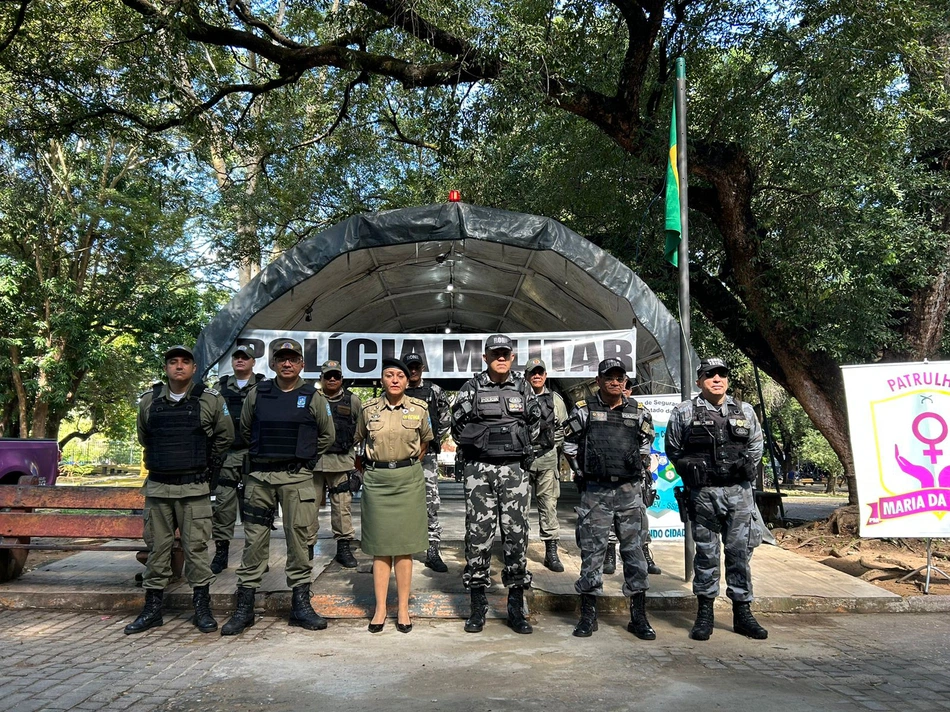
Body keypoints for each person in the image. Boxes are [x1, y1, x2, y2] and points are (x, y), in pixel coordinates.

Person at [221, 339, 336, 636]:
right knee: (254, 541)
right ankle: (244, 606)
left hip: (296, 478)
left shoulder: (313, 397)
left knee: (299, 540)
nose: (287, 363)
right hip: (259, 478)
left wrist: (303, 457)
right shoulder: (257, 394)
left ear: (301, 365)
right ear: (273, 364)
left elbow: (327, 435)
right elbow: (245, 430)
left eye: (292, 359)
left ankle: (300, 604)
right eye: (281, 358)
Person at [125, 345, 233, 635]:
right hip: (159, 488)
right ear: (166, 368)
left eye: (185, 362)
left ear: (194, 368)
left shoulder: (210, 400)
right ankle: (152, 610)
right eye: (173, 361)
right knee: (157, 550)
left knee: (196, 550)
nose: (179, 366)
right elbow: (145, 436)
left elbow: (226, 436)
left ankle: (202, 607)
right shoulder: (149, 400)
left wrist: (205, 461)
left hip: (193, 488)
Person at [664, 357, 768, 641]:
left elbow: (756, 444)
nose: (717, 379)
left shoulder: (744, 410)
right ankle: (705, 613)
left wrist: (746, 465)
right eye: (710, 375)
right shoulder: (684, 412)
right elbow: (673, 448)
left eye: (721, 374)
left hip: (739, 493)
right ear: (700, 381)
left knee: (739, 554)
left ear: (727, 379)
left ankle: (742, 613)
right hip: (704, 494)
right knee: (707, 554)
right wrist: (689, 469)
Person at [451, 334, 541, 635]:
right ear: (485, 356)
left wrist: (514, 444)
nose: (501, 358)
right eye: (495, 353)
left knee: (517, 537)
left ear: (512, 357)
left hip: (514, 471)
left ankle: (516, 608)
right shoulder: (471, 388)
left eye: (506, 353)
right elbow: (456, 427)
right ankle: (478, 608)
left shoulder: (523, 387)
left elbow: (536, 424)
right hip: (480, 471)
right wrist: (483, 444)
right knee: (478, 538)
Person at [564, 358, 656, 640]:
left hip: (629, 491)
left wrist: (638, 466)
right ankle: (588, 614)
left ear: (625, 381)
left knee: (635, 551)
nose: (615, 382)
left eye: (619, 377)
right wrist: (582, 472)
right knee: (592, 552)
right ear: (599, 380)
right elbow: (569, 445)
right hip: (596, 491)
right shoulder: (584, 411)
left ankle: (638, 616)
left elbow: (646, 444)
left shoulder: (638, 412)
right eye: (609, 377)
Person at [355, 358, 433, 633]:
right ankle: (379, 609)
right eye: (389, 375)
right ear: (382, 380)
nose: (395, 380)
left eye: (400, 375)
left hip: (408, 480)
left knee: (403, 546)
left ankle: (402, 608)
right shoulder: (367, 410)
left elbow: (425, 441)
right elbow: (358, 441)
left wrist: (406, 464)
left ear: (408, 380)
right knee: (379, 547)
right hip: (377, 482)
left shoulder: (419, 409)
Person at [211, 345, 265, 574]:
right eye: (237, 357)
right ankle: (221, 552)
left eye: (246, 358)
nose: (240, 360)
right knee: (223, 505)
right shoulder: (219, 387)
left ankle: (256, 557)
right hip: (228, 454)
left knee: (257, 507)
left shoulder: (264, 386)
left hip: (254, 455)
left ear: (253, 362)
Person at [307, 359, 361, 568]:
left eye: (335, 376)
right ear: (321, 378)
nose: (331, 379)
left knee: (342, 508)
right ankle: (308, 546)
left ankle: (343, 547)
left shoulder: (352, 400)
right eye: (327, 376)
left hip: (341, 462)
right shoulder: (312, 398)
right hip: (315, 462)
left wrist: (348, 443)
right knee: (309, 507)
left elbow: (360, 428)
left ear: (341, 379)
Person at [402, 351, 451, 573]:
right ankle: (396, 550)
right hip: (400, 458)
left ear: (422, 368)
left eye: (416, 367)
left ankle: (433, 550)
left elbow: (445, 419)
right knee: (398, 504)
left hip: (427, 457)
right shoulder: (396, 390)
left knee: (430, 503)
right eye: (409, 367)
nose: (412, 371)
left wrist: (430, 442)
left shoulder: (434, 391)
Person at [523, 358, 569, 572]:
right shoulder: (518, 396)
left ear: (546, 375)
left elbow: (563, 428)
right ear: (527, 375)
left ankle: (551, 552)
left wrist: (553, 446)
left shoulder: (555, 399)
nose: (537, 376)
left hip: (548, 458)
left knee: (548, 506)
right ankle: (518, 551)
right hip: (523, 458)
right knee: (518, 509)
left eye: (540, 372)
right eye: (533, 372)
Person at [623, 377, 661, 576]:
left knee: (640, 515)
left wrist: (641, 463)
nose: (624, 388)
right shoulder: (597, 410)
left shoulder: (640, 411)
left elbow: (647, 440)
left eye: (628, 386)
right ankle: (610, 554)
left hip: (635, 473)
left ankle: (645, 551)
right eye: (622, 384)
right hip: (608, 476)